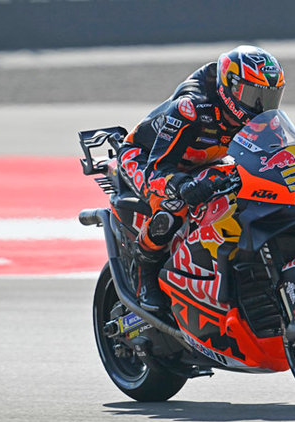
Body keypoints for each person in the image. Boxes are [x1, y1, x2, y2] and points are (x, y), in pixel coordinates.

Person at [118, 45, 285, 312]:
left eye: (269, 97)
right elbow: (158, 168)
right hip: (145, 157)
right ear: (230, 87)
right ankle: (144, 272)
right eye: (253, 95)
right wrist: (182, 186)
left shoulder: (262, 119)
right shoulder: (191, 107)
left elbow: (273, 157)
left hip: (204, 160)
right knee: (173, 207)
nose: (261, 106)